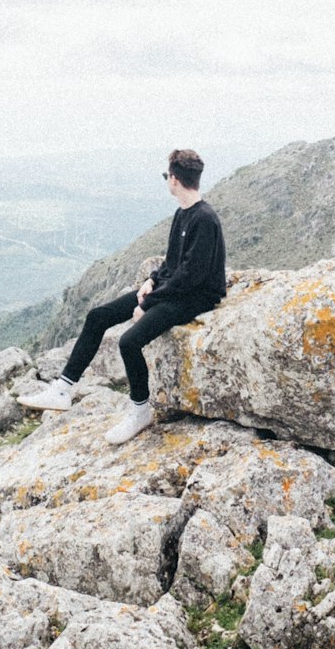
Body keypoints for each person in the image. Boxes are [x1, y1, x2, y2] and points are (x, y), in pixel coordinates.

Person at [19, 148, 227, 445]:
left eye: (167, 175)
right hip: (172, 289)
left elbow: (192, 277)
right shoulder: (182, 214)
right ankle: (64, 389)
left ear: (175, 179)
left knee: (129, 342)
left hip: (196, 296)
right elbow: (171, 263)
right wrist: (151, 281)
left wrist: (148, 302)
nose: (167, 180)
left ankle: (140, 411)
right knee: (98, 317)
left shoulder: (204, 219)